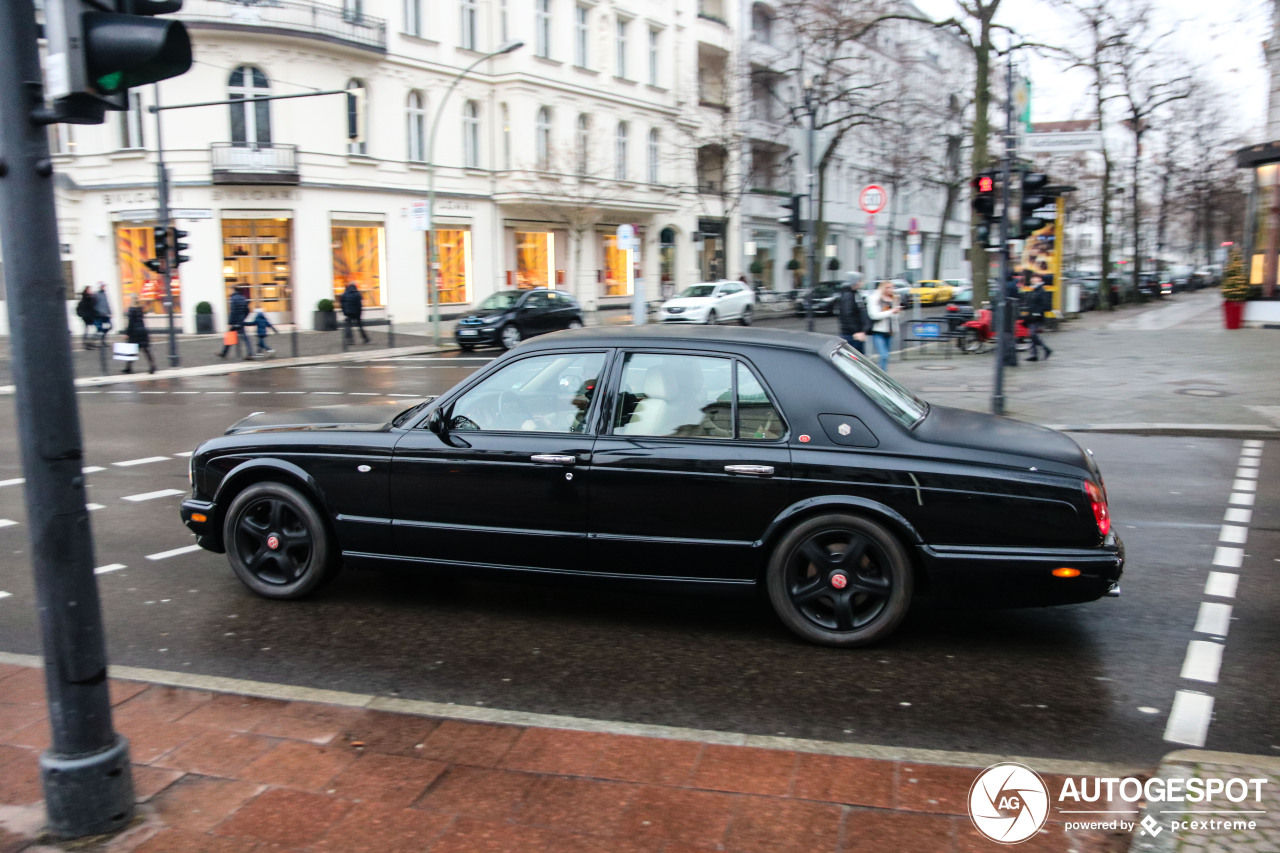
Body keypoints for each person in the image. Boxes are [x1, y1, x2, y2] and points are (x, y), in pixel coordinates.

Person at [866, 279, 900, 372]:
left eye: (892, 287)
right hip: (878, 330)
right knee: (884, 355)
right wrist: (891, 311)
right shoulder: (875, 298)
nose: (891, 289)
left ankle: (884, 373)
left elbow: (895, 316)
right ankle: (883, 375)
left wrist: (896, 312)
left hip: (890, 330)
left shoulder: (894, 298)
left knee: (886, 355)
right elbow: (874, 315)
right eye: (888, 287)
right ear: (883, 288)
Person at [837, 273, 871, 354]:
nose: (862, 283)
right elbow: (848, 315)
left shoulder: (854, 294)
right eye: (860, 281)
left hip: (856, 334)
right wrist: (856, 332)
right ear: (854, 282)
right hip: (852, 335)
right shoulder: (848, 296)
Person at [122, 296, 156, 374]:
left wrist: (127, 333)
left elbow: (130, 323)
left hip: (135, 332)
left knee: (132, 350)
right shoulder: (140, 309)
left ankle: (128, 367)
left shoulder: (131, 310)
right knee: (146, 350)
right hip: (143, 331)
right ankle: (152, 366)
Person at [1025, 276, 1053, 362]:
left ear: (1039, 280)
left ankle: (1045, 349)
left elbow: (1043, 305)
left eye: (1034, 278)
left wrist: (1036, 313)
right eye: (1032, 278)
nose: (1032, 279)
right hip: (1031, 315)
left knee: (1032, 334)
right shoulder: (1034, 289)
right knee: (1032, 334)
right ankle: (1034, 354)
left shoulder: (1041, 290)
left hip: (1037, 316)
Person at [219, 286, 250, 359]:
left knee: (230, 337)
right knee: (245, 338)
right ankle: (250, 353)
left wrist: (230, 322)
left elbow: (232, 312)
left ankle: (224, 353)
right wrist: (243, 318)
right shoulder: (243, 298)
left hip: (235, 322)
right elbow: (247, 310)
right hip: (241, 321)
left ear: (233, 290)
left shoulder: (233, 298)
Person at [93, 282, 113, 347]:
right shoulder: (96, 294)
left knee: (109, 327)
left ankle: (102, 339)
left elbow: (107, 304)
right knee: (100, 328)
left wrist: (110, 312)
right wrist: (98, 312)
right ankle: (100, 340)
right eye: (103, 286)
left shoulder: (104, 294)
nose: (104, 287)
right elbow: (95, 304)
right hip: (100, 315)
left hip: (105, 314)